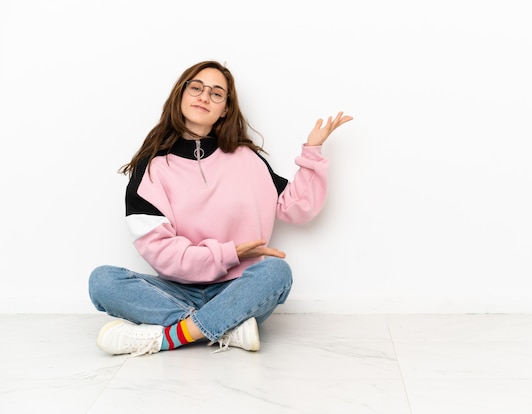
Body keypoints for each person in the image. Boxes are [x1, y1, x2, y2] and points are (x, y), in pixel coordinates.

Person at [88, 60, 352, 356]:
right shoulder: (150, 169)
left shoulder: (247, 159)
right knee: (103, 281)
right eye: (197, 88)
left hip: (237, 289)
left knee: (276, 272)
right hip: (177, 289)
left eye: (216, 93)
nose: (204, 97)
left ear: (225, 108)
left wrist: (312, 153)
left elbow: (298, 207)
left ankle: (169, 337)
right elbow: (162, 254)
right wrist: (230, 252)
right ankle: (226, 327)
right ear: (181, 94)